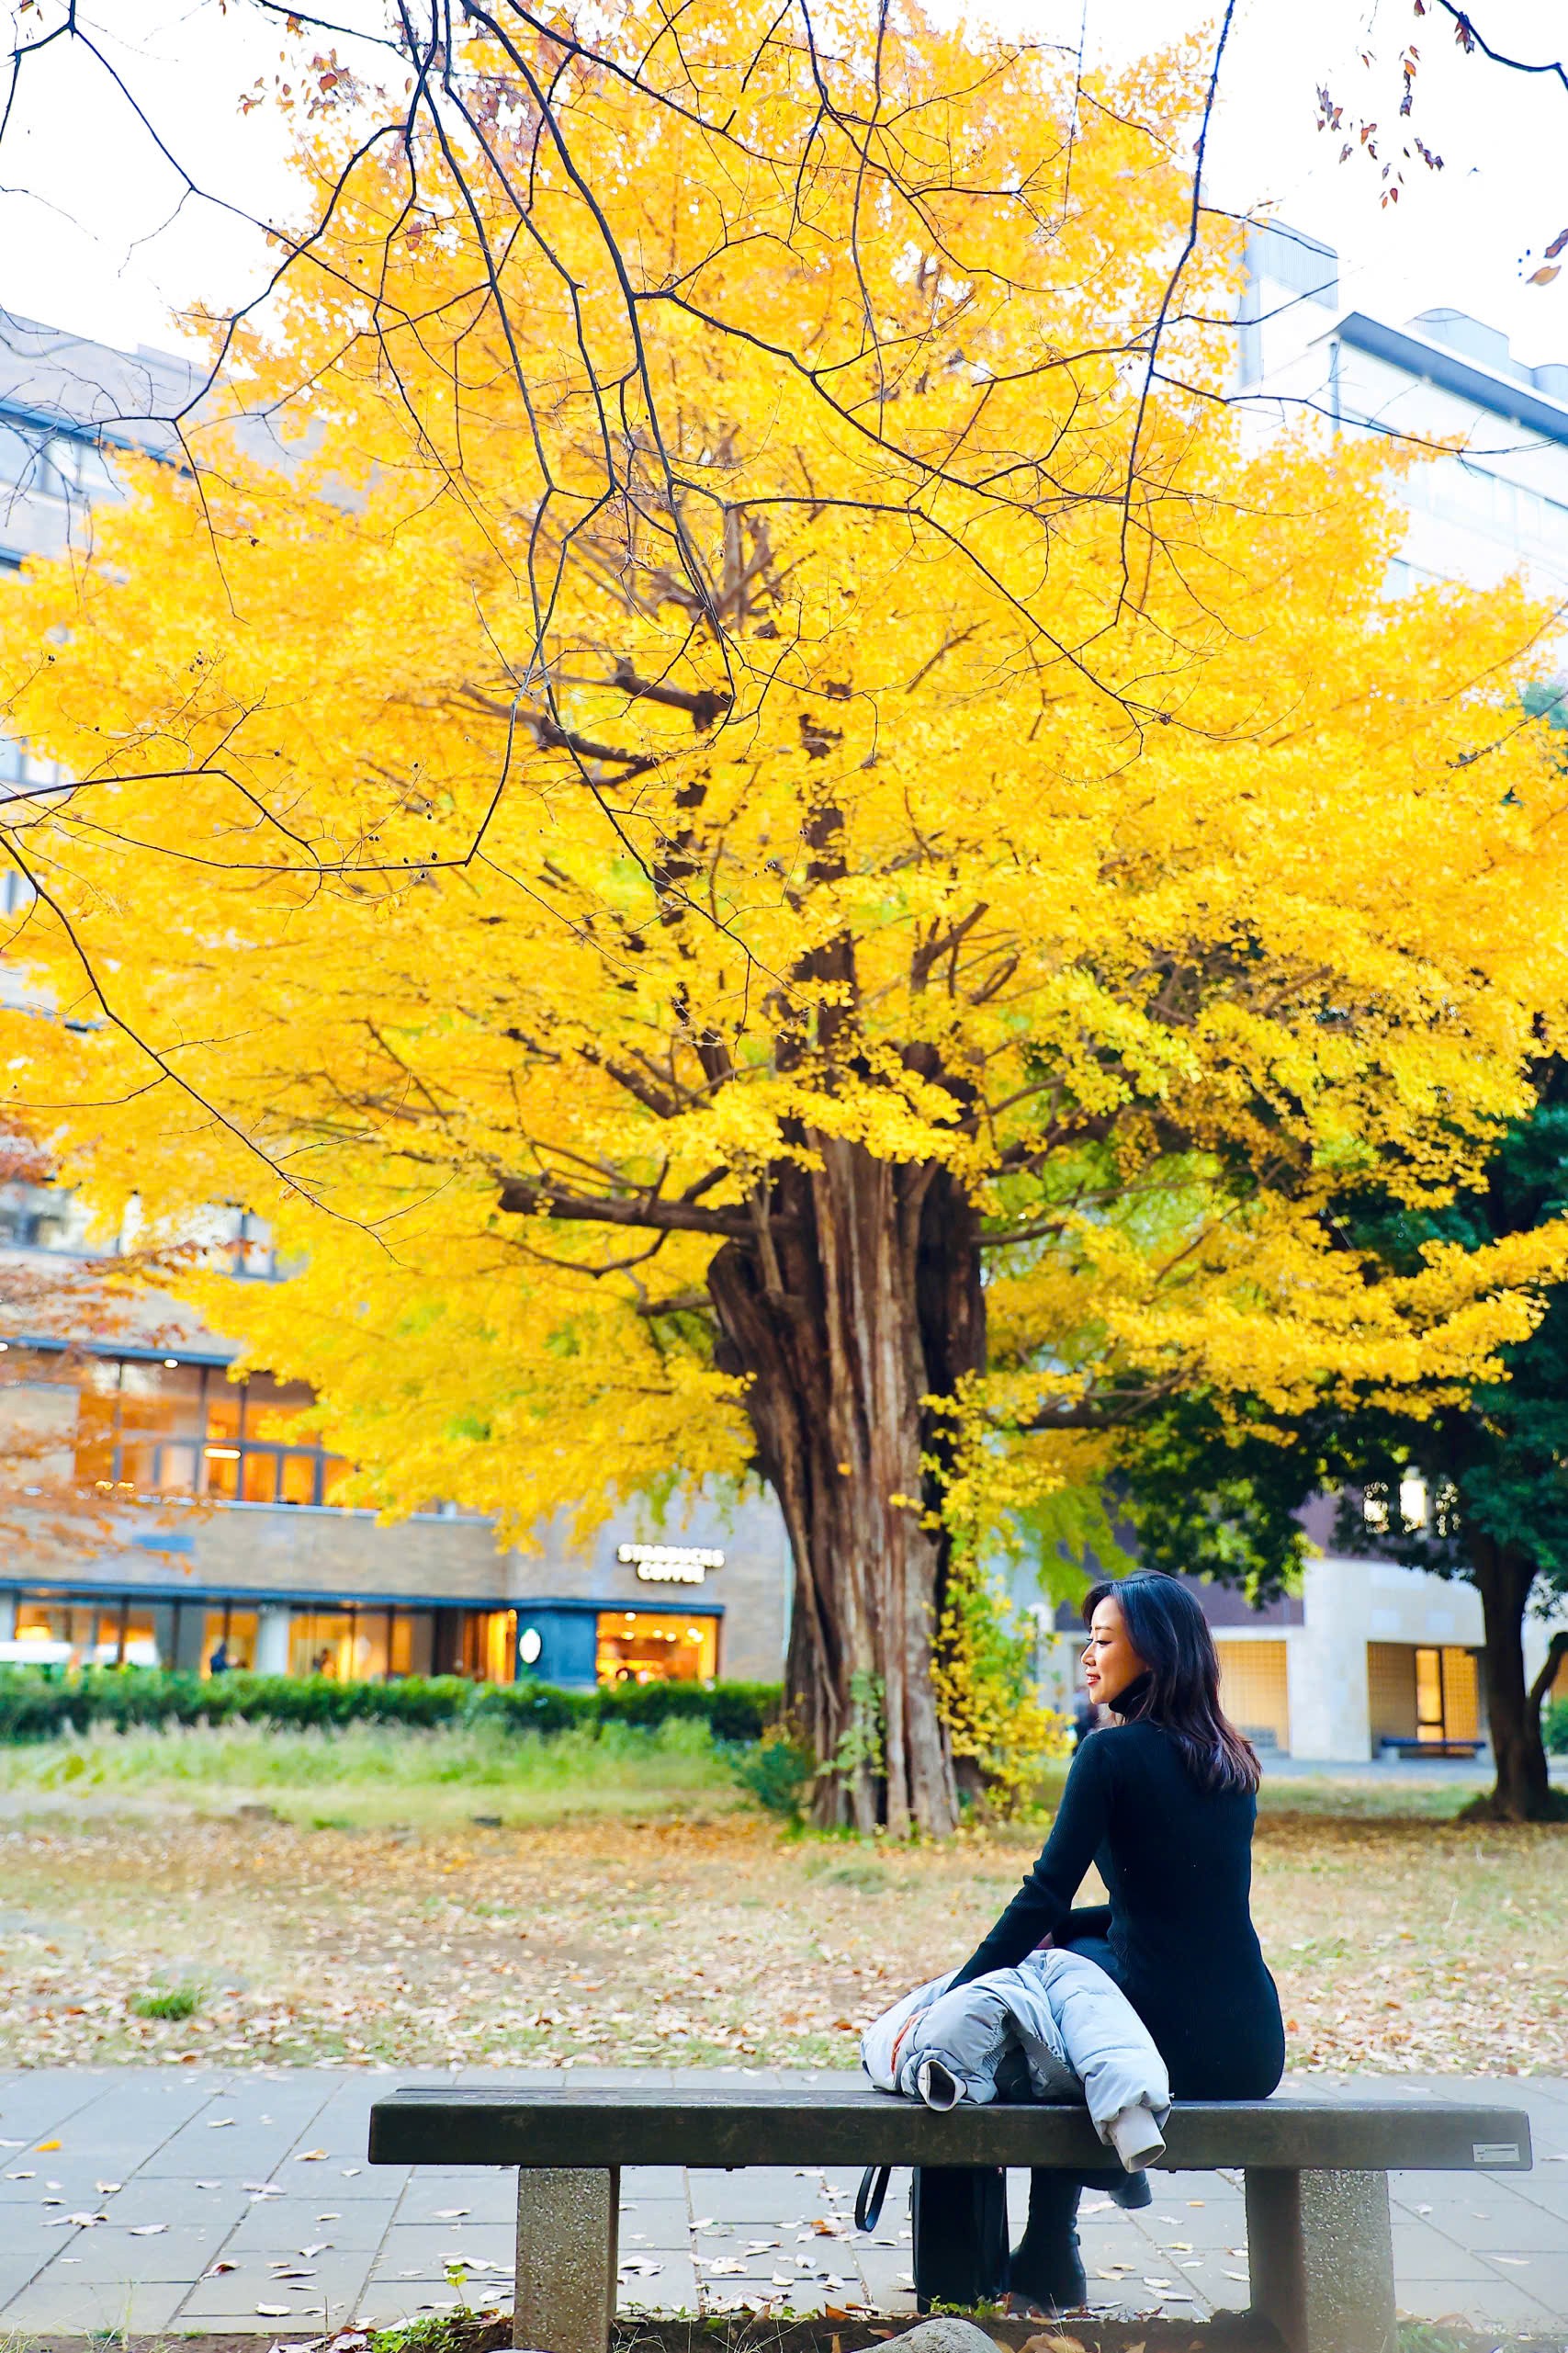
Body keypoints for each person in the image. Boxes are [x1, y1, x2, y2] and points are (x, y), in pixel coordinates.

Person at [950, 1572, 1285, 2315]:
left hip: (1160, 2049)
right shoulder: (1231, 1758)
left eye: (1103, 1641)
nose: (1088, 1658)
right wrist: (1069, 1929)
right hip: (1252, 2046)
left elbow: (1044, 1891)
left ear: (1155, 1653)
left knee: (1056, 1993)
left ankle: (1049, 2245)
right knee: (1074, 1953)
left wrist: (959, 1990)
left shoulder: (1109, 1755)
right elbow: (1177, 1906)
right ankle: (1063, 2230)